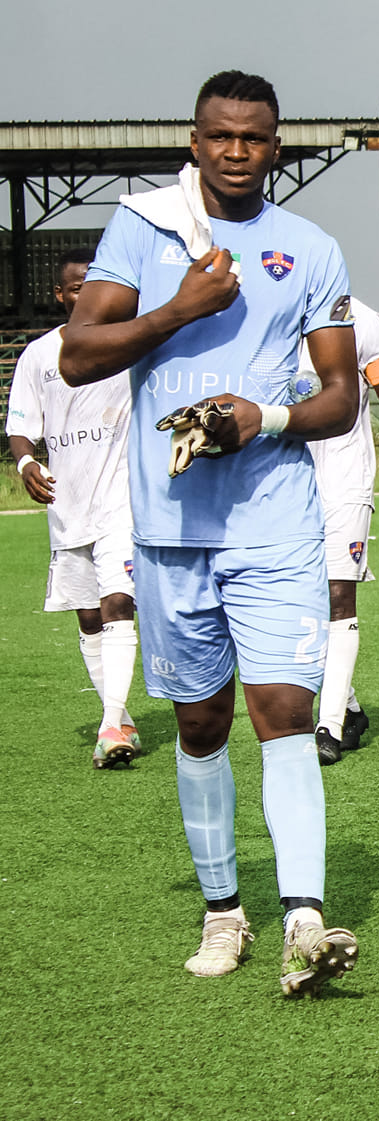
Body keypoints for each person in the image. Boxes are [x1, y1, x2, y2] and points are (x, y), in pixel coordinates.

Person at [61, 70, 360, 995]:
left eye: (256, 138)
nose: (237, 151)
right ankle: (223, 908)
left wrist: (261, 419)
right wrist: (179, 311)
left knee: (285, 714)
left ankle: (303, 918)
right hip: (170, 530)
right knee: (200, 723)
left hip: (275, 524)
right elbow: (76, 355)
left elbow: (342, 398)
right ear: (194, 142)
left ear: (279, 146)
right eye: (220, 136)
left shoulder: (310, 248)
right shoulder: (143, 232)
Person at [7, 247, 140, 767]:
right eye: (80, 285)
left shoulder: (130, 347)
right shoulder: (39, 355)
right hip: (68, 505)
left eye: (98, 282)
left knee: (117, 604)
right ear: (62, 295)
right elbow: (21, 427)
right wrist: (24, 465)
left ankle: (110, 726)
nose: (90, 292)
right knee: (88, 619)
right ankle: (120, 715)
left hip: (121, 503)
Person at [303, 300, 379, 765]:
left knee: (338, 598)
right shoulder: (262, 308)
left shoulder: (360, 318)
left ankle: (328, 726)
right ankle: (350, 707)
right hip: (280, 480)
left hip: (343, 479)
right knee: (299, 602)